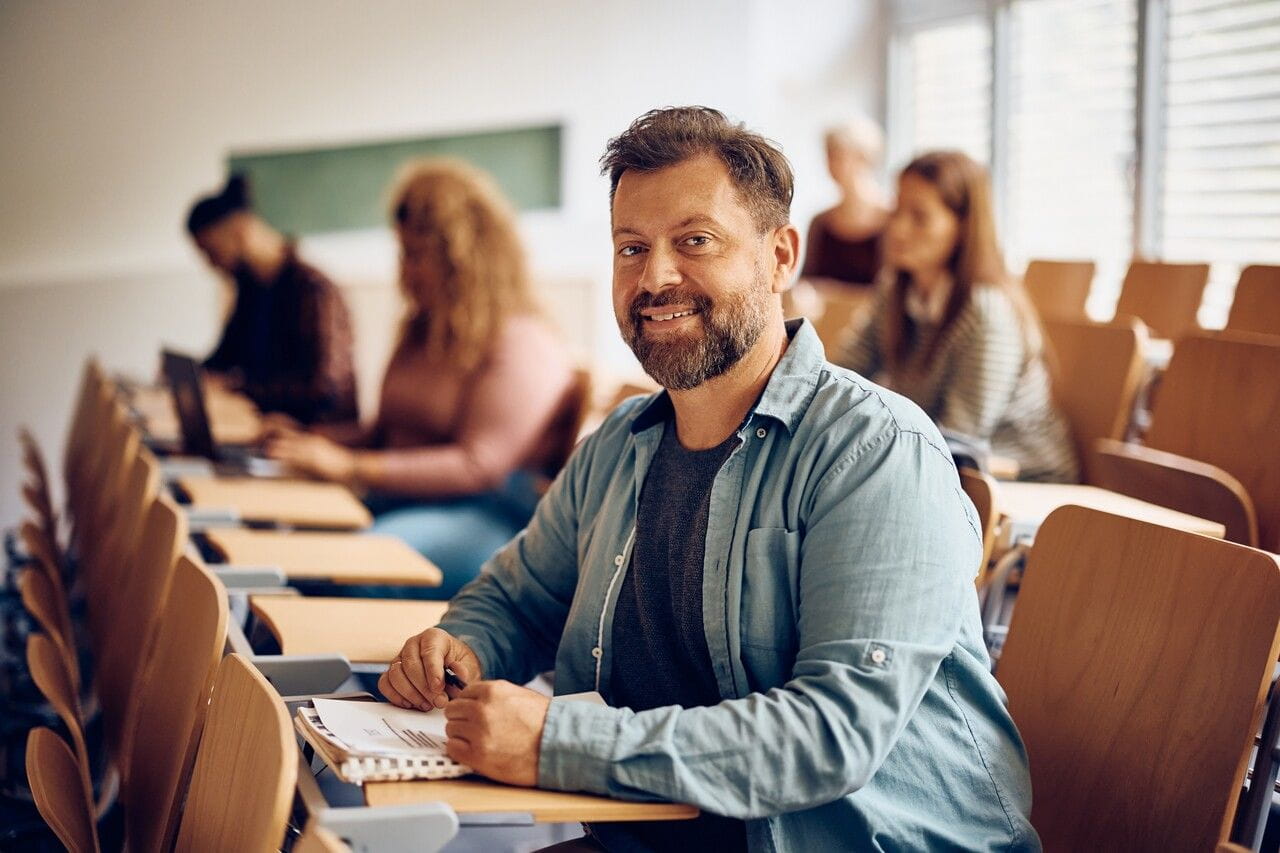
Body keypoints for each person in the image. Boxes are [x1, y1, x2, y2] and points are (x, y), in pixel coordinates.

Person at [378, 108, 1040, 852]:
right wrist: (461, 647)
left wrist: (558, 739)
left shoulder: (876, 452)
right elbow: (519, 598)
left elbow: (830, 733)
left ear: (781, 256)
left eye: (695, 240)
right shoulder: (615, 449)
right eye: (632, 248)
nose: (655, 276)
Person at [265, 159, 577, 597]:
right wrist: (308, 438)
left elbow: (479, 467)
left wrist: (351, 466)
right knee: (287, 534)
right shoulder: (422, 329)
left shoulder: (524, 341)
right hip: (408, 502)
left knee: (353, 565)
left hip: (488, 517)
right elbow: (384, 433)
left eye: (416, 255)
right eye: (402, 253)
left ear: (461, 258)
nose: (404, 271)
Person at [836, 150, 1077, 483]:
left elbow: (961, 436)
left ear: (963, 228)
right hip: (945, 462)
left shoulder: (986, 312)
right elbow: (841, 376)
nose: (899, 229)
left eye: (919, 216)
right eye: (897, 212)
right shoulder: (893, 291)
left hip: (1022, 477)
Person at [186, 174, 358, 425]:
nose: (211, 264)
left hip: (315, 438)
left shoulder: (313, 289)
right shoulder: (251, 289)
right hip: (263, 430)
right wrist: (191, 376)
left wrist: (235, 388)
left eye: (212, 252)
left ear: (239, 229)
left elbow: (322, 389)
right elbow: (223, 359)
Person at [799, 116, 890, 287]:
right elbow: (806, 283)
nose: (830, 164)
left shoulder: (893, 221)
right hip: (827, 315)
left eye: (838, 155)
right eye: (828, 155)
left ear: (863, 157)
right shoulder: (820, 223)